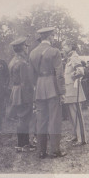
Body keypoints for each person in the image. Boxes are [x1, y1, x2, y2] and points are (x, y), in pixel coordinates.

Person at [29, 27, 66, 159]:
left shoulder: (32, 53)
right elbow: (59, 74)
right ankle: (55, 150)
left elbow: (31, 75)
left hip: (39, 87)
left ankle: (41, 151)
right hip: (52, 87)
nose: (54, 38)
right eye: (53, 35)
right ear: (50, 36)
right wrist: (62, 92)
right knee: (54, 120)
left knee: (41, 120)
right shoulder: (54, 51)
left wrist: (37, 85)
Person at [8, 37, 36, 152]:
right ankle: (24, 145)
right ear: (21, 48)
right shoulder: (23, 62)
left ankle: (22, 144)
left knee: (21, 118)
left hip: (16, 91)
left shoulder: (13, 60)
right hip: (23, 92)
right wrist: (31, 98)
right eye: (26, 46)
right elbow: (26, 83)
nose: (27, 48)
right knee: (24, 118)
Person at [63, 40, 87, 146]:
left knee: (76, 114)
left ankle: (81, 138)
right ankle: (75, 135)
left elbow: (81, 71)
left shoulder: (74, 57)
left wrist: (73, 77)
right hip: (69, 90)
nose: (63, 48)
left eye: (64, 46)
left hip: (74, 89)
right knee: (71, 115)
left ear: (69, 46)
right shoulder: (70, 58)